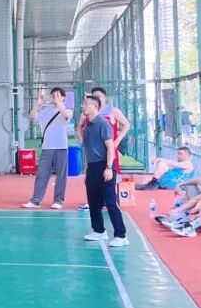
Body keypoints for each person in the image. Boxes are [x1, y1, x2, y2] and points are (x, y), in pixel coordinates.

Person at [78, 95, 128, 247]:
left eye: (86, 104)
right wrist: (79, 128)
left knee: (110, 201)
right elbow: (84, 144)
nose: (83, 107)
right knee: (93, 201)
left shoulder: (103, 124)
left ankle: (121, 235)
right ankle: (99, 230)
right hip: (92, 167)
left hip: (104, 165)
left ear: (94, 107)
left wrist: (108, 167)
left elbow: (110, 148)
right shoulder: (88, 126)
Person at [22, 87, 73, 209]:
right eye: (53, 95)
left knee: (61, 175)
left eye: (57, 95)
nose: (54, 97)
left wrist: (59, 103)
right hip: (47, 147)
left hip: (61, 147)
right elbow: (31, 116)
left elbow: (66, 115)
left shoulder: (67, 110)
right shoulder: (45, 111)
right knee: (42, 174)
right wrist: (38, 105)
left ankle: (58, 200)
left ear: (63, 97)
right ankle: (36, 200)